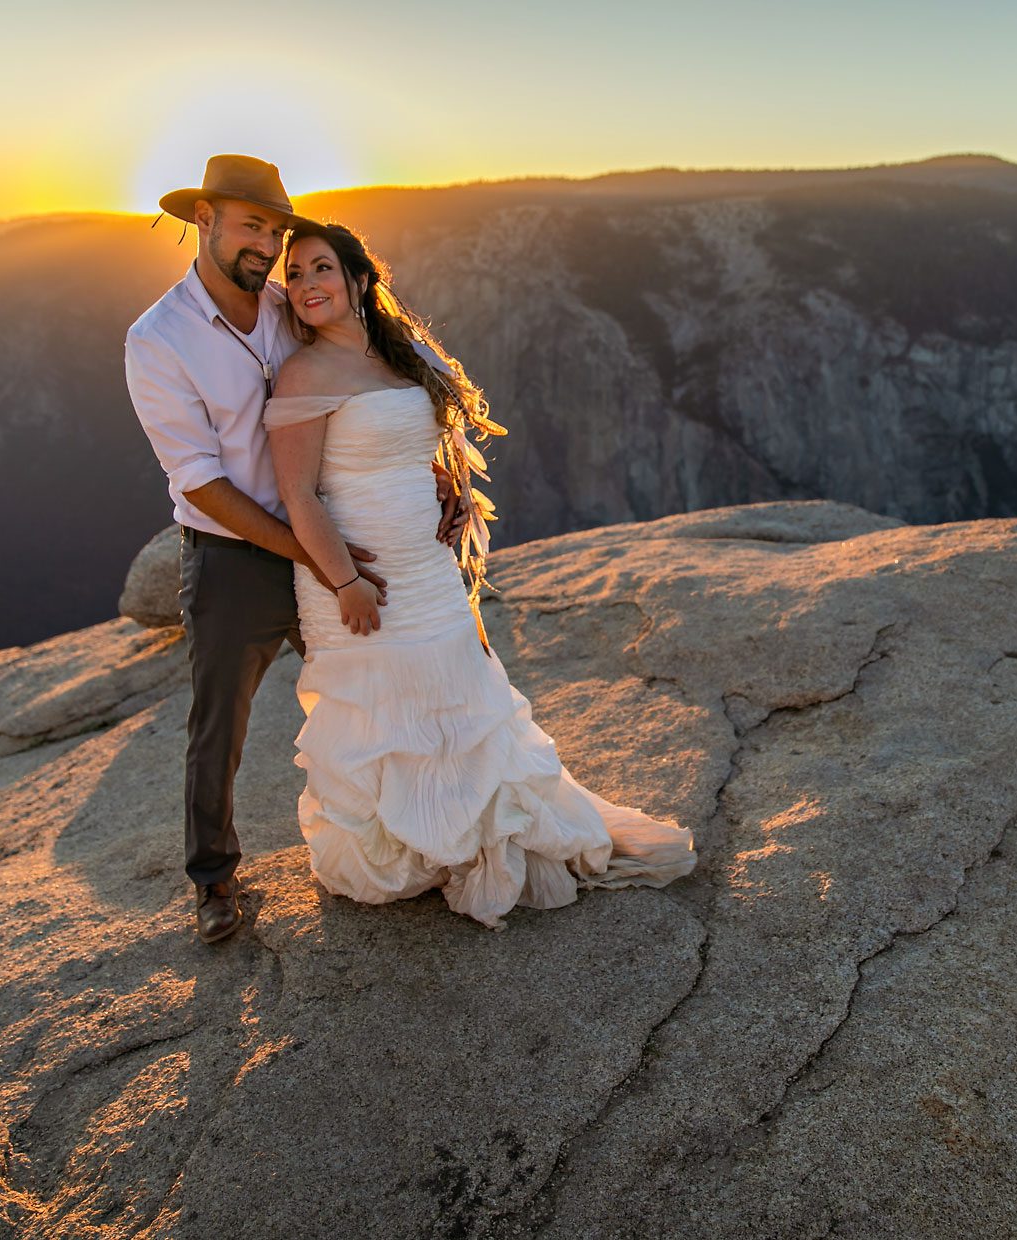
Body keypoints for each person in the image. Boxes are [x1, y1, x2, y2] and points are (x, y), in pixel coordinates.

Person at [263, 221, 697, 930]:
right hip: (357, 576)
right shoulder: (304, 373)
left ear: (360, 280)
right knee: (382, 714)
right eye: (296, 273)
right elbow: (299, 495)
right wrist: (344, 581)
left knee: (460, 695)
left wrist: (449, 482)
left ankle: (467, 830)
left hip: (425, 567)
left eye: (321, 269)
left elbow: (416, 443)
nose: (307, 285)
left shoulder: (398, 358)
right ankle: (407, 846)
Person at [124, 155, 469, 944]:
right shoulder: (159, 339)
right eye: (253, 226)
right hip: (237, 556)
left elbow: (384, 382)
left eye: (274, 230)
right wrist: (314, 556)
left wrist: (439, 480)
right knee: (221, 720)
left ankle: (418, 829)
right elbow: (199, 481)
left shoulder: (292, 305)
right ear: (203, 220)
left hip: (339, 539)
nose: (266, 244)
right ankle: (213, 880)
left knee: (376, 690)